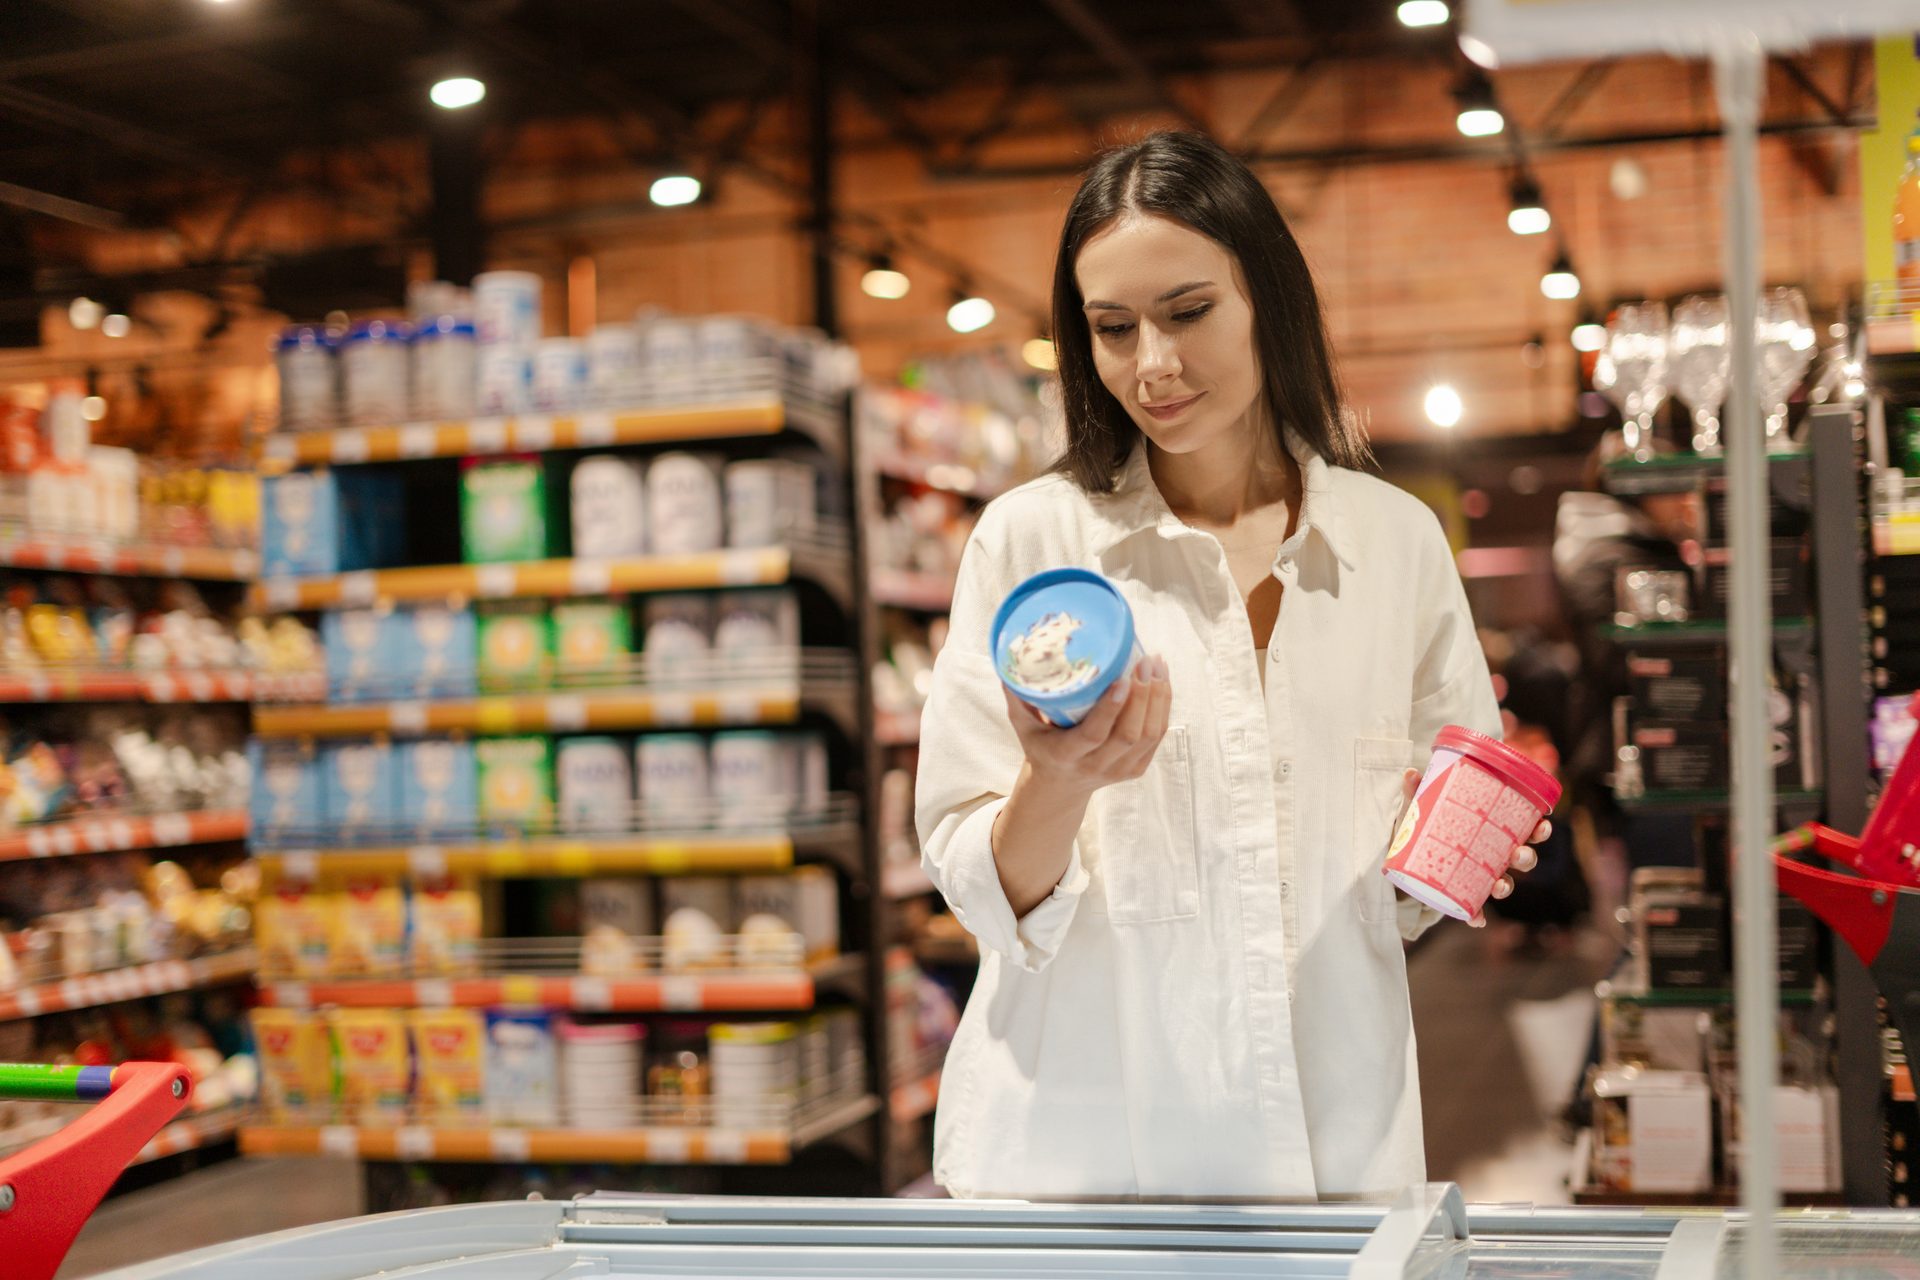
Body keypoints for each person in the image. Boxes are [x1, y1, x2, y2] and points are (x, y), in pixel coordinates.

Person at [914, 131, 1550, 1203]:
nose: (1152, 363)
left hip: (1336, 1139)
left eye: (1188, 311)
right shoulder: (1031, 545)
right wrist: (1058, 781)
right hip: (1082, 1156)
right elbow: (979, 886)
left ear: (1269, 297)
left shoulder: (1393, 543)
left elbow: (1422, 875)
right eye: (1113, 329)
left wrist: (1466, 850)